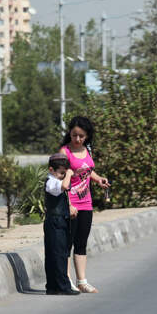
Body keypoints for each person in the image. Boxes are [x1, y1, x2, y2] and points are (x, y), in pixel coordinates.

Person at [60, 116, 109, 293]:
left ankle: (82, 281)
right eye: (74, 135)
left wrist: (98, 179)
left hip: (86, 203)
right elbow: (60, 178)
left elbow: (87, 170)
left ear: (87, 136)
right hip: (71, 204)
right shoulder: (65, 152)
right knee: (68, 243)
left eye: (81, 136)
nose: (78, 139)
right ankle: (67, 281)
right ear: (70, 134)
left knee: (81, 243)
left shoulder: (87, 149)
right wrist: (68, 204)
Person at [44, 153, 80, 295]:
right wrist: (69, 174)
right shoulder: (51, 182)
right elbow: (65, 186)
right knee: (57, 254)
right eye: (61, 173)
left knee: (59, 252)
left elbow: (64, 193)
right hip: (54, 221)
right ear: (51, 170)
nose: (63, 176)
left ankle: (54, 286)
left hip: (61, 220)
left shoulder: (57, 181)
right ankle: (62, 286)